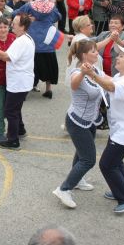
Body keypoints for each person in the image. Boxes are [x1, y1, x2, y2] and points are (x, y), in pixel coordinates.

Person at [81, 45, 124, 214]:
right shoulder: (121, 76)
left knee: (107, 164)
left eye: (121, 56)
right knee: (116, 161)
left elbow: (110, 87)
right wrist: (94, 69)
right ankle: (119, 191)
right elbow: (108, 79)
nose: (117, 57)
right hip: (120, 129)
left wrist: (91, 74)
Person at [52, 40, 104, 209]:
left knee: (81, 153)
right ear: (84, 55)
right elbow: (74, 84)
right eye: (94, 51)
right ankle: (64, 189)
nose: (97, 53)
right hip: (77, 122)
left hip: (91, 120)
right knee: (88, 159)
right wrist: (82, 73)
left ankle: (78, 179)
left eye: (96, 50)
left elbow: (106, 83)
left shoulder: (95, 69)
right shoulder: (77, 71)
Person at [0, 13, 35, 150]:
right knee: (16, 108)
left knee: (10, 111)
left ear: (22, 26)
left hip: (18, 82)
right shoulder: (27, 38)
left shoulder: (20, 41)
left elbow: (6, 57)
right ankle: (20, 130)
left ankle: (13, 140)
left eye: (14, 24)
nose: (11, 25)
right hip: (24, 81)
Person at [14, 0, 61, 98]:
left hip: (32, 37)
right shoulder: (51, 6)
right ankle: (48, 89)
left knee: (29, 65)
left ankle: (25, 91)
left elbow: (17, 13)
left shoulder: (30, 5)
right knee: (49, 63)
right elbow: (58, 17)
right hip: (47, 39)